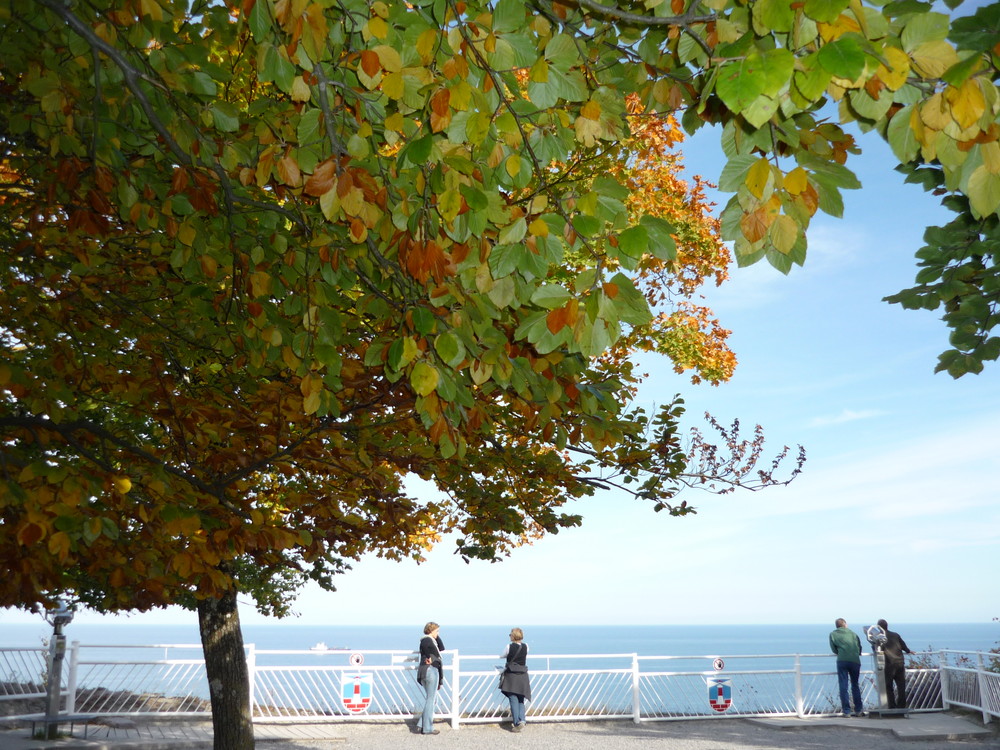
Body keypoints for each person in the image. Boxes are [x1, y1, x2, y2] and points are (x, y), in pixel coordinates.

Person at [829, 617, 865, 717]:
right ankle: (858, 710)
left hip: (842, 661)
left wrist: (841, 652)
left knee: (843, 686)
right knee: (855, 685)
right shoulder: (853, 634)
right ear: (845, 624)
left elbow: (833, 649)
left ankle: (847, 711)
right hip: (855, 661)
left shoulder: (833, 634)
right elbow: (859, 647)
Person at [498, 627, 531, 732]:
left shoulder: (509, 646)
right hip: (523, 675)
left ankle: (517, 723)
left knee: (513, 698)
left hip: (512, 676)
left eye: (510, 634)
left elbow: (502, 655)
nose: (509, 636)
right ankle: (523, 720)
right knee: (521, 699)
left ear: (513, 636)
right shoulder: (526, 646)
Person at [417, 622, 445, 735]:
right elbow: (425, 646)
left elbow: (442, 648)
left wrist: (436, 636)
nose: (438, 633)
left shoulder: (431, 640)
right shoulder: (426, 640)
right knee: (431, 699)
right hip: (429, 671)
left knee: (432, 699)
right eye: (437, 631)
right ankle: (427, 728)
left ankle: (421, 724)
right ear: (431, 630)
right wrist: (430, 657)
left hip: (426, 671)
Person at [878, 619, 912, 709]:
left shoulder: (880, 637)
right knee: (901, 686)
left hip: (889, 664)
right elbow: (903, 645)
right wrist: (908, 651)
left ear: (879, 627)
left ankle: (892, 706)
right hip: (900, 662)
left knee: (888, 686)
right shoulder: (895, 635)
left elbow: (877, 649)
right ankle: (901, 706)